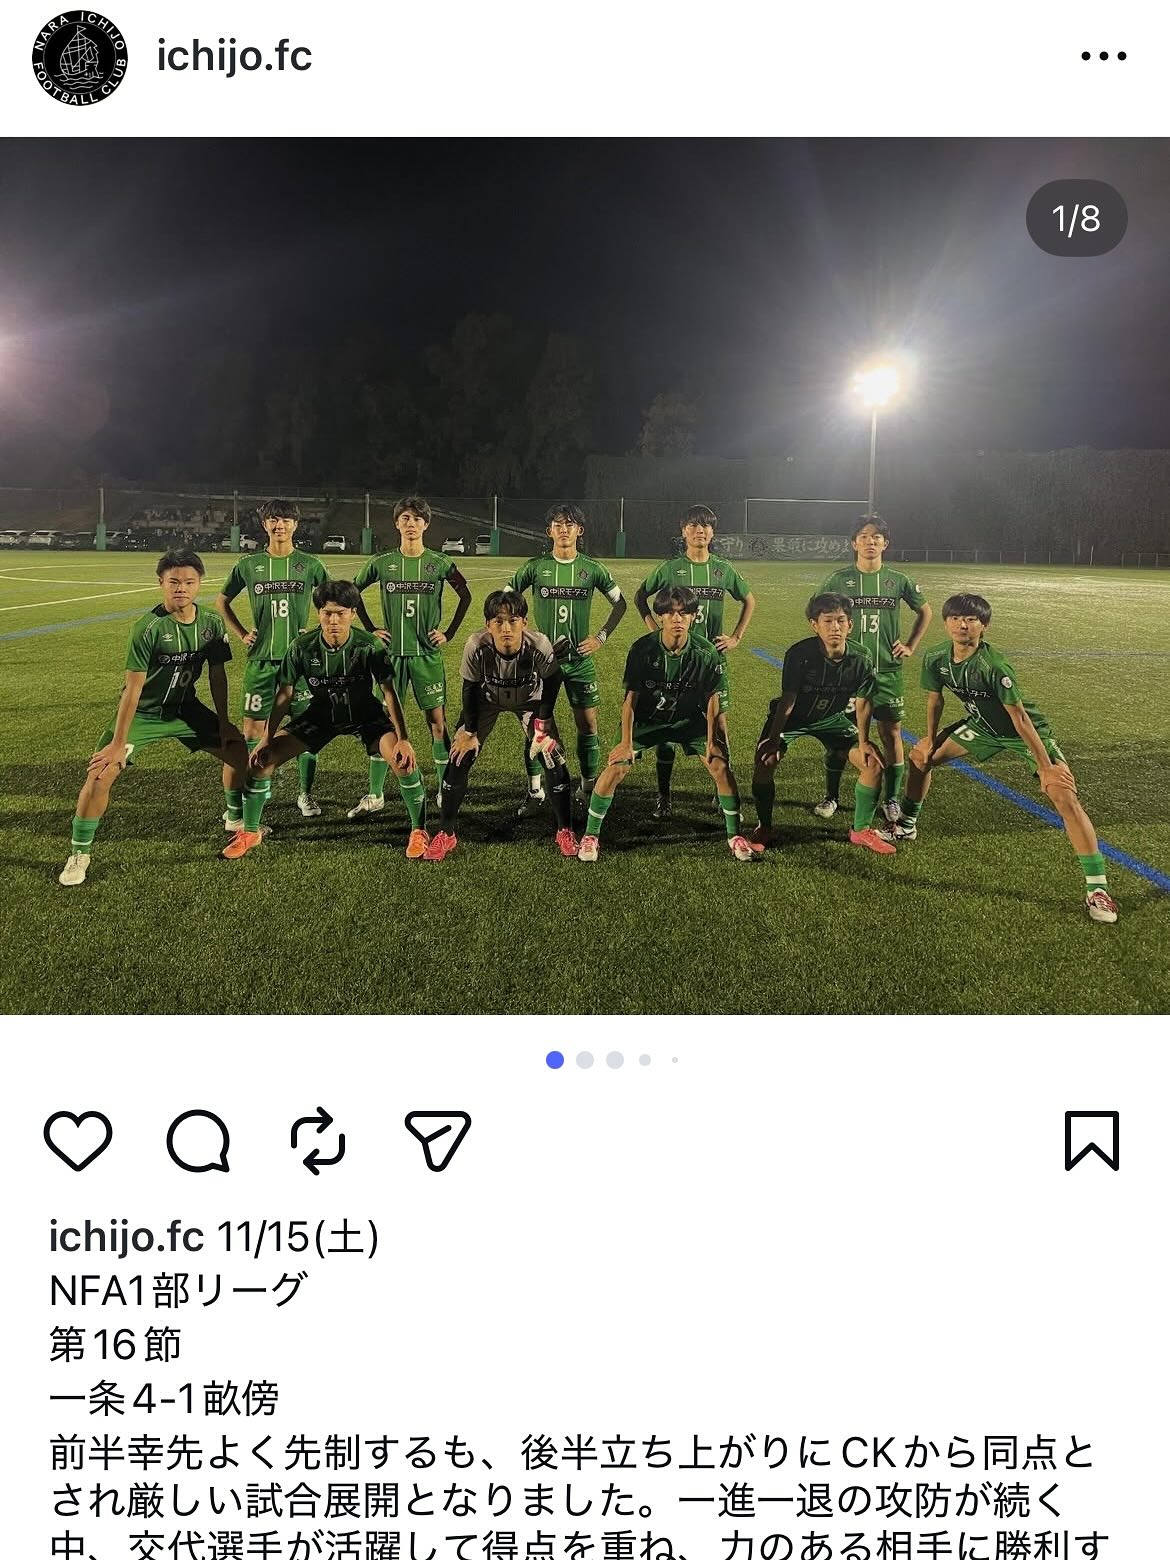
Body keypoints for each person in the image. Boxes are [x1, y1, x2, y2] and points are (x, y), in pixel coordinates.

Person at [897, 592, 1119, 923]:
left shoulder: (994, 665)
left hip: (1023, 734)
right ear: (945, 623)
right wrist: (929, 738)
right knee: (919, 758)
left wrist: (1045, 767)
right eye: (955, 618)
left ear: (983, 626)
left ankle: (1097, 889)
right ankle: (905, 825)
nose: (962, 624)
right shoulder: (936, 657)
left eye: (971, 619)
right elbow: (935, 700)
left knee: (1063, 796)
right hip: (983, 727)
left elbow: (1021, 719)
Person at [59, 548, 249, 886]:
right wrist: (118, 743)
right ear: (161, 583)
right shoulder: (147, 629)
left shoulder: (211, 623)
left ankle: (234, 819)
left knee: (237, 750)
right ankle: (79, 853)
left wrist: (223, 721)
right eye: (173, 582)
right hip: (144, 713)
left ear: (199, 583)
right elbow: (132, 690)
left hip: (185, 710)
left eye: (189, 582)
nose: (181, 588)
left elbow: (217, 675)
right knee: (101, 774)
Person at [234, 579, 420, 858]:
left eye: (340, 613)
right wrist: (266, 738)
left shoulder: (369, 645)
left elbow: (389, 692)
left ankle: (419, 831)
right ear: (318, 613)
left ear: (353, 613)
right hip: (320, 715)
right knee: (263, 762)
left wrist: (403, 738)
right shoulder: (302, 647)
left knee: (403, 762)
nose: (333, 620)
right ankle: (250, 833)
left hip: (365, 715)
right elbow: (284, 695)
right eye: (327, 613)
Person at [578, 585, 762, 863]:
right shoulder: (643, 649)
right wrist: (626, 743)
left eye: (684, 613)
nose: (677, 619)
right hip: (647, 720)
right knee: (616, 767)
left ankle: (735, 835)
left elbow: (712, 699)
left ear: (693, 616)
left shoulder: (705, 652)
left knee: (720, 766)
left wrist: (712, 740)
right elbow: (630, 701)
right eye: (671, 613)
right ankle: (591, 836)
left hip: (687, 720)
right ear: (660, 616)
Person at [422, 589, 577, 862]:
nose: (506, 628)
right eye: (498, 621)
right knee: (459, 756)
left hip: (529, 702)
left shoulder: (540, 644)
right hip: (487, 701)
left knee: (552, 756)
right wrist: (470, 732)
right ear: (488, 625)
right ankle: (446, 833)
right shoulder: (475, 645)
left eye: (513, 621)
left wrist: (542, 724)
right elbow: (470, 689)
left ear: (524, 622)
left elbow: (553, 681)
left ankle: (565, 830)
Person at [348, 496, 472, 824]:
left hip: (426, 656)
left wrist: (449, 633)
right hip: (390, 659)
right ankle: (375, 794)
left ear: (426, 524)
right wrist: (371, 628)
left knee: (437, 724)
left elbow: (466, 594)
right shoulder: (382, 562)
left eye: (417, 519)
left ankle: (445, 788)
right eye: (405, 518)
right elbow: (352, 592)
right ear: (397, 524)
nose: (411, 524)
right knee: (383, 726)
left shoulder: (440, 563)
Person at [751, 593, 894, 856]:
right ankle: (764, 827)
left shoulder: (861, 657)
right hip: (794, 720)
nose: (835, 627)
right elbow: (788, 699)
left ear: (851, 625)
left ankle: (861, 831)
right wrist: (773, 738)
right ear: (814, 625)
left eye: (841, 620)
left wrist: (864, 742)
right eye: (827, 621)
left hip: (833, 720)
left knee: (872, 763)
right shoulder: (799, 654)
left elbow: (864, 703)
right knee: (766, 761)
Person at [634, 504, 754, 818]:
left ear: (712, 532)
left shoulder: (723, 569)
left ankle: (721, 793)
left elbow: (749, 599)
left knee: (720, 725)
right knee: (666, 725)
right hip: (674, 660)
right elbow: (640, 596)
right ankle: (663, 796)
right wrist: (655, 630)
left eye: (705, 526)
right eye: (693, 525)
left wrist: (736, 637)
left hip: (711, 661)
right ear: (683, 531)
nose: (700, 531)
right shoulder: (670, 568)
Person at [507, 502, 627, 814]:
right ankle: (535, 792)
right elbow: (505, 601)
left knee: (588, 725)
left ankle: (587, 789)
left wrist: (600, 638)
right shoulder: (535, 567)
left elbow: (621, 604)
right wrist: (524, 636)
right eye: (558, 525)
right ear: (549, 531)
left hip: (579, 662)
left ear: (579, 531)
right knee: (536, 727)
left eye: (569, 525)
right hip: (541, 664)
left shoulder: (592, 568)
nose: (563, 530)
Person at [215, 497, 328, 821]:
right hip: (262, 663)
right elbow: (222, 601)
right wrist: (242, 633)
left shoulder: (310, 564)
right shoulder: (249, 564)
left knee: (307, 731)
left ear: (296, 525)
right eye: (274, 520)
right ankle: (245, 803)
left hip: (301, 664)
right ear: (264, 524)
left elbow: (332, 600)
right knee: (251, 733)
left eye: (286, 520)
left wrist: (318, 632)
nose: (280, 525)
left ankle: (305, 794)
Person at [818, 515, 931, 822]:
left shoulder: (898, 580)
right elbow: (817, 614)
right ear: (854, 543)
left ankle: (891, 799)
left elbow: (925, 611)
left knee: (891, 734)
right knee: (841, 735)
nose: (870, 541)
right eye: (864, 536)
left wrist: (910, 645)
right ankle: (831, 796)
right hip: (847, 674)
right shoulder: (838, 580)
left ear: (885, 543)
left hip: (887, 672)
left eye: (876, 537)